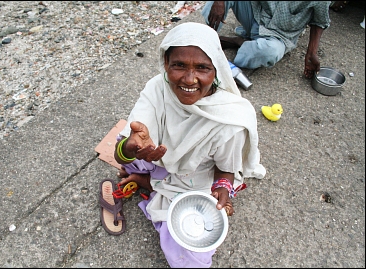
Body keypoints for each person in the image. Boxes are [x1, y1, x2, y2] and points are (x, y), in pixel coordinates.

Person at [113, 22, 266, 268]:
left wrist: (223, 189)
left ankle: (148, 182)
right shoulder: (157, 89)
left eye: (202, 68)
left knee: (188, 254)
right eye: (179, 65)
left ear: (216, 71)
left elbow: (225, 170)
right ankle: (149, 180)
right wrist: (127, 150)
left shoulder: (230, 120)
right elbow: (123, 149)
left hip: (195, 178)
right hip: (157, 156)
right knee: (135, 159)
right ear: (166, 64)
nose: (189, 79)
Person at [201, 1, 331, 78]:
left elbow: (319, 21)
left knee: (270, 52)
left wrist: (311, 52)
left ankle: (237, 42)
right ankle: (202, 39)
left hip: (280, 36)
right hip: (257, 15)